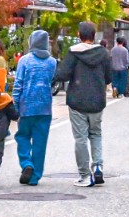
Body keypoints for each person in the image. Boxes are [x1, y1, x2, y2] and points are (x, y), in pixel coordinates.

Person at [53, 21, 112, 187]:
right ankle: (98, 166)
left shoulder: (73, 52)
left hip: (77, 100)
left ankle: (85, 175)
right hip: (97, 100)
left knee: (80, 138)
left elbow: (63, 75)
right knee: (96, 134)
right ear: (93, 35)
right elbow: (109, 77)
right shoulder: (103, 53)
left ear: (79, 35)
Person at [13, 29, 56, 186]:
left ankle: (26, 163)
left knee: (22, 136)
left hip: (26, 106)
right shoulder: (52, 62)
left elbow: (18, 84)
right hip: (45, 107)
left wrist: (15, 106)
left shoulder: (24, 60)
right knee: (40, 142)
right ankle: (35, 176)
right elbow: (51, 80)